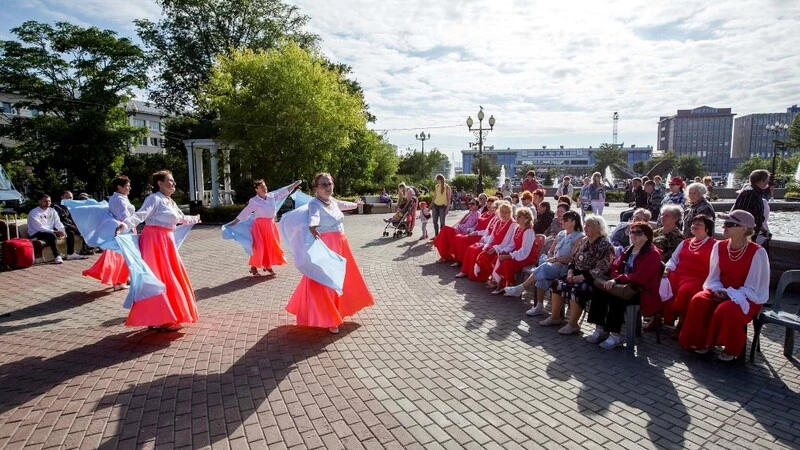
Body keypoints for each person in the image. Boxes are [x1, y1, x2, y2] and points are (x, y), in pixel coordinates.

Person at [286, 173, 374, 334]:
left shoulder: (333, 201)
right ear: (316, 188)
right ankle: (329, 319)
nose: (327, 187)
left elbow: (345, 205)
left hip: (342, 245)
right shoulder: (314, 204)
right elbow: (314, 217)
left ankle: (338, 311)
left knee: (343, 278)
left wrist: (356, 204)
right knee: (326, 281)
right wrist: (313, 225)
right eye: (323, 184)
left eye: (329, 184)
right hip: (327, 246)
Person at [678, 210, 770, 361]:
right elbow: (714, 276)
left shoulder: (757, 252)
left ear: (743, 229)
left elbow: (754, 286)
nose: (724, 227)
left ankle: (732, 348)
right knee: (699, 299)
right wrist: (718, 290)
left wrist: (730, 294)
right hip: (721, 289)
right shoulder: (719, 246)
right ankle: (700, 341)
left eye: (730, 224)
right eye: (725, 223)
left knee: (727, 309)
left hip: (747, 296)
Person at [117, 170, 202, 332]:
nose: (174, 183)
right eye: (170, 180)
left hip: (166, 242)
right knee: (158, 276)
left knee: (168, 276)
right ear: (160, 183)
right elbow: (140, 215)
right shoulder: (154, 198)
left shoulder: (169, 201)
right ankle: (163, 318)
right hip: (154, 241)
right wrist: (124, 225)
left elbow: (181, 218)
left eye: (173, 180)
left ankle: (158, 317)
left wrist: (195, 218)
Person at [589, 222, 662, 349]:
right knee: (599, 291)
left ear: (647, 236)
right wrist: (615, 278)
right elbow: (615, 266)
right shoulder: (629, 249)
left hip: (642, 290)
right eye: (631, 232)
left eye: (638, 232)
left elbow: (641, 277)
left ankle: (616, 335)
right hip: (623, 285)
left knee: (616, 298)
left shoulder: (652, 253)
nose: (633, 235)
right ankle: (600, 328)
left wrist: (617, 280)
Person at [540, 216, 614, 334]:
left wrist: (581, 277)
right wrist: (570, 272)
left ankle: (573, 324)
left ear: (598, 227)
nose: (585, 227)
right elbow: (573, 259)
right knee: (557, 283)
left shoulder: (604, 244)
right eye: (585, 224)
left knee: (576, 289)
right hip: (576, 273)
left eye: (589, 225)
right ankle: (555, 317)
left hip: (593, 278)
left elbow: (603, 267)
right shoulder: (584, 241)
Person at [505, 211, 585, 317]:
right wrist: (551, 258)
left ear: (573, 222)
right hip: (553, 264)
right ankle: (538, 306)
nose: (562, 222)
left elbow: (572, 258)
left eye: (565, 220)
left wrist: (556, 259)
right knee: (543, 274)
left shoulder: (579, 237)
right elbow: (551, 251)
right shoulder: (561, 234)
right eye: (562, 219)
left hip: (566, 267)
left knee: (544, 269)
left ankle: (522, 289)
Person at [227, 179, 302, 276]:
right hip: (259, 227)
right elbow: (246, 211)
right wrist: (235, 221)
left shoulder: (271, 196)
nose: (264, 188)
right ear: (256, 189)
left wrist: (294, 185)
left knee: (270, 246)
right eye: (261, 187)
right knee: (259, 247)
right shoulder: (254, 201)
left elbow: (283, 192)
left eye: (264, 186)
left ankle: (268, 265)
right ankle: (254, 267)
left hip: (271, 225)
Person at [662, 214, 716, 337]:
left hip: (698, 277)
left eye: (699, 224)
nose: (694, 226)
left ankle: (682, 323)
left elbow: (716, 266)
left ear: (707, 228)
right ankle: (661, 318)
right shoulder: (685, 242)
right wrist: (668, 268)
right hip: (680, 274)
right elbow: (673, 260)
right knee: (664, 282)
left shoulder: (714, 245)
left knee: (685, 291)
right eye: (693, 223)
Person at [83, 176, 134, 289]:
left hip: (118, 228)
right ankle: (120, 281)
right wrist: (131, 225)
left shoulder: (116, 197)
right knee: (125, 255)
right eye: (127, 186)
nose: (129, 188)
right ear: (119, 187)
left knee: (119, 255)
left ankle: (122, 279)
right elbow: (124, 215)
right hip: (123, 229)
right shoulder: (120, 199)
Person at [490, 208, 541, 294]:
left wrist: (509, 256)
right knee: (497, 258)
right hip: (518, 254)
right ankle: (500, 282)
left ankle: (509, 285)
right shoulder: (517, 228)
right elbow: (512, 244)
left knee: (507, 262)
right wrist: (504, 251)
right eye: (517, 216)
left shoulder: (528, 231)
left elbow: (524, 251)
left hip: (528, 257)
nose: (517, 218)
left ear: (527, 219)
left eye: (520, 216)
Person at [467, 202, 515, 283]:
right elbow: (492, 236)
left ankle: (494, 279)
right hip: (494, 246)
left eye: (506, 212)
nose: (504, 214)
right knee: (483, 254)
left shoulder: (513, 224)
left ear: (511, 213)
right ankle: (485, 276)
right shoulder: (498, 222)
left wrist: (495, 249)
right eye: (502, 212)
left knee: (487, 257)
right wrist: (487, 245)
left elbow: (507, 242)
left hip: (503, 248)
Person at [27, 194, 69, 264]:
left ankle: (71, 253)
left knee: (69, 231)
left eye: (49, 201)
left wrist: (62, 231)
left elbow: (57, 222)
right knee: (51, 235)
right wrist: (55, 231)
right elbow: (40, 228)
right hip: (35, 234)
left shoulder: (52, 211)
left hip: (48, 231)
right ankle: (57, 256)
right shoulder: (34, 212)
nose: (48, 203)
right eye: (45, 201)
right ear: (39, 201)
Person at [732, 169, 770, 240]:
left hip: (750, 234)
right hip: (745, 235)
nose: (768, 182)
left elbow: (756, 216)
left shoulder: (755, 192)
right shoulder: (750, 192)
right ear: (763, 180)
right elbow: (741, 214)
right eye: (767, 179)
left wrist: (764, 230)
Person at [51, 191, 89, 260]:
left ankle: (85, 249)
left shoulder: (72, 206)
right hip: (60, 227)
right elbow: (58, 222)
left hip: (70, 225)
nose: (69, 199)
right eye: (66, 197)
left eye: (70, 197)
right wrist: (73, 226)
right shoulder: (56, 207)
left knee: (84, 227)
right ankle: (70, 253)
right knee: (70, 232)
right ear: (62, 197)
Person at [430, 174, 451, 239]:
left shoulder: (447, 187)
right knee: (434, 221)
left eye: (436, 180)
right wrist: (430, 207)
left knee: (442, 222)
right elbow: (434, 197)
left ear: (440, 180)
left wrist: (447, 209)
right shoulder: (436, 186)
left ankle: (442, 237)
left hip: (443, 206)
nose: (436, 181)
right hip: (435, 205)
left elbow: (449, 199)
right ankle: (436, 235)